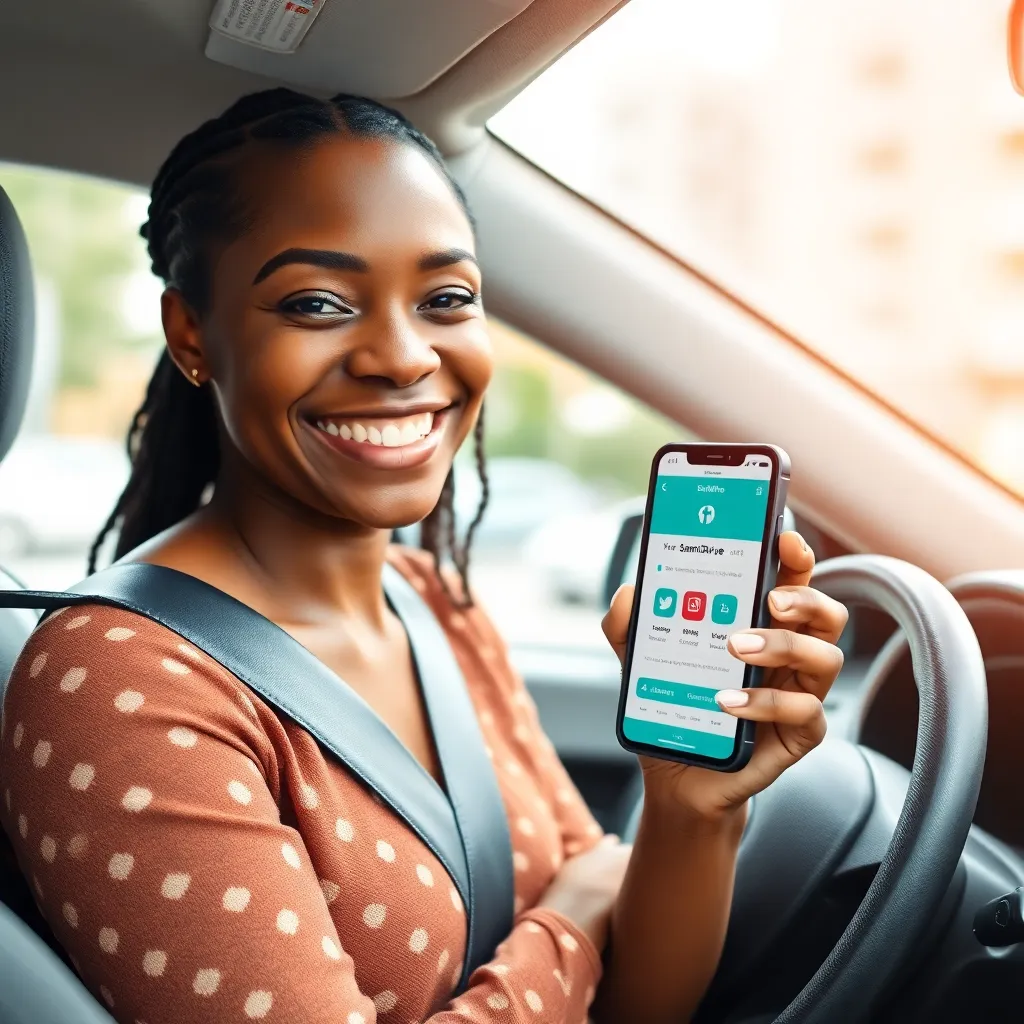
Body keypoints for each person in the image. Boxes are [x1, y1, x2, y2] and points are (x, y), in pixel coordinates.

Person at [0, 89, 847, 1024]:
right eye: (317, 302)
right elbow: (586, 903)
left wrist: (693, 809)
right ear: (191, 334)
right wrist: (566, 923)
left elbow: (634, 1003)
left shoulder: (434, 601)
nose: (404, 357)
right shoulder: (117, 680)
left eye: (447, 298)